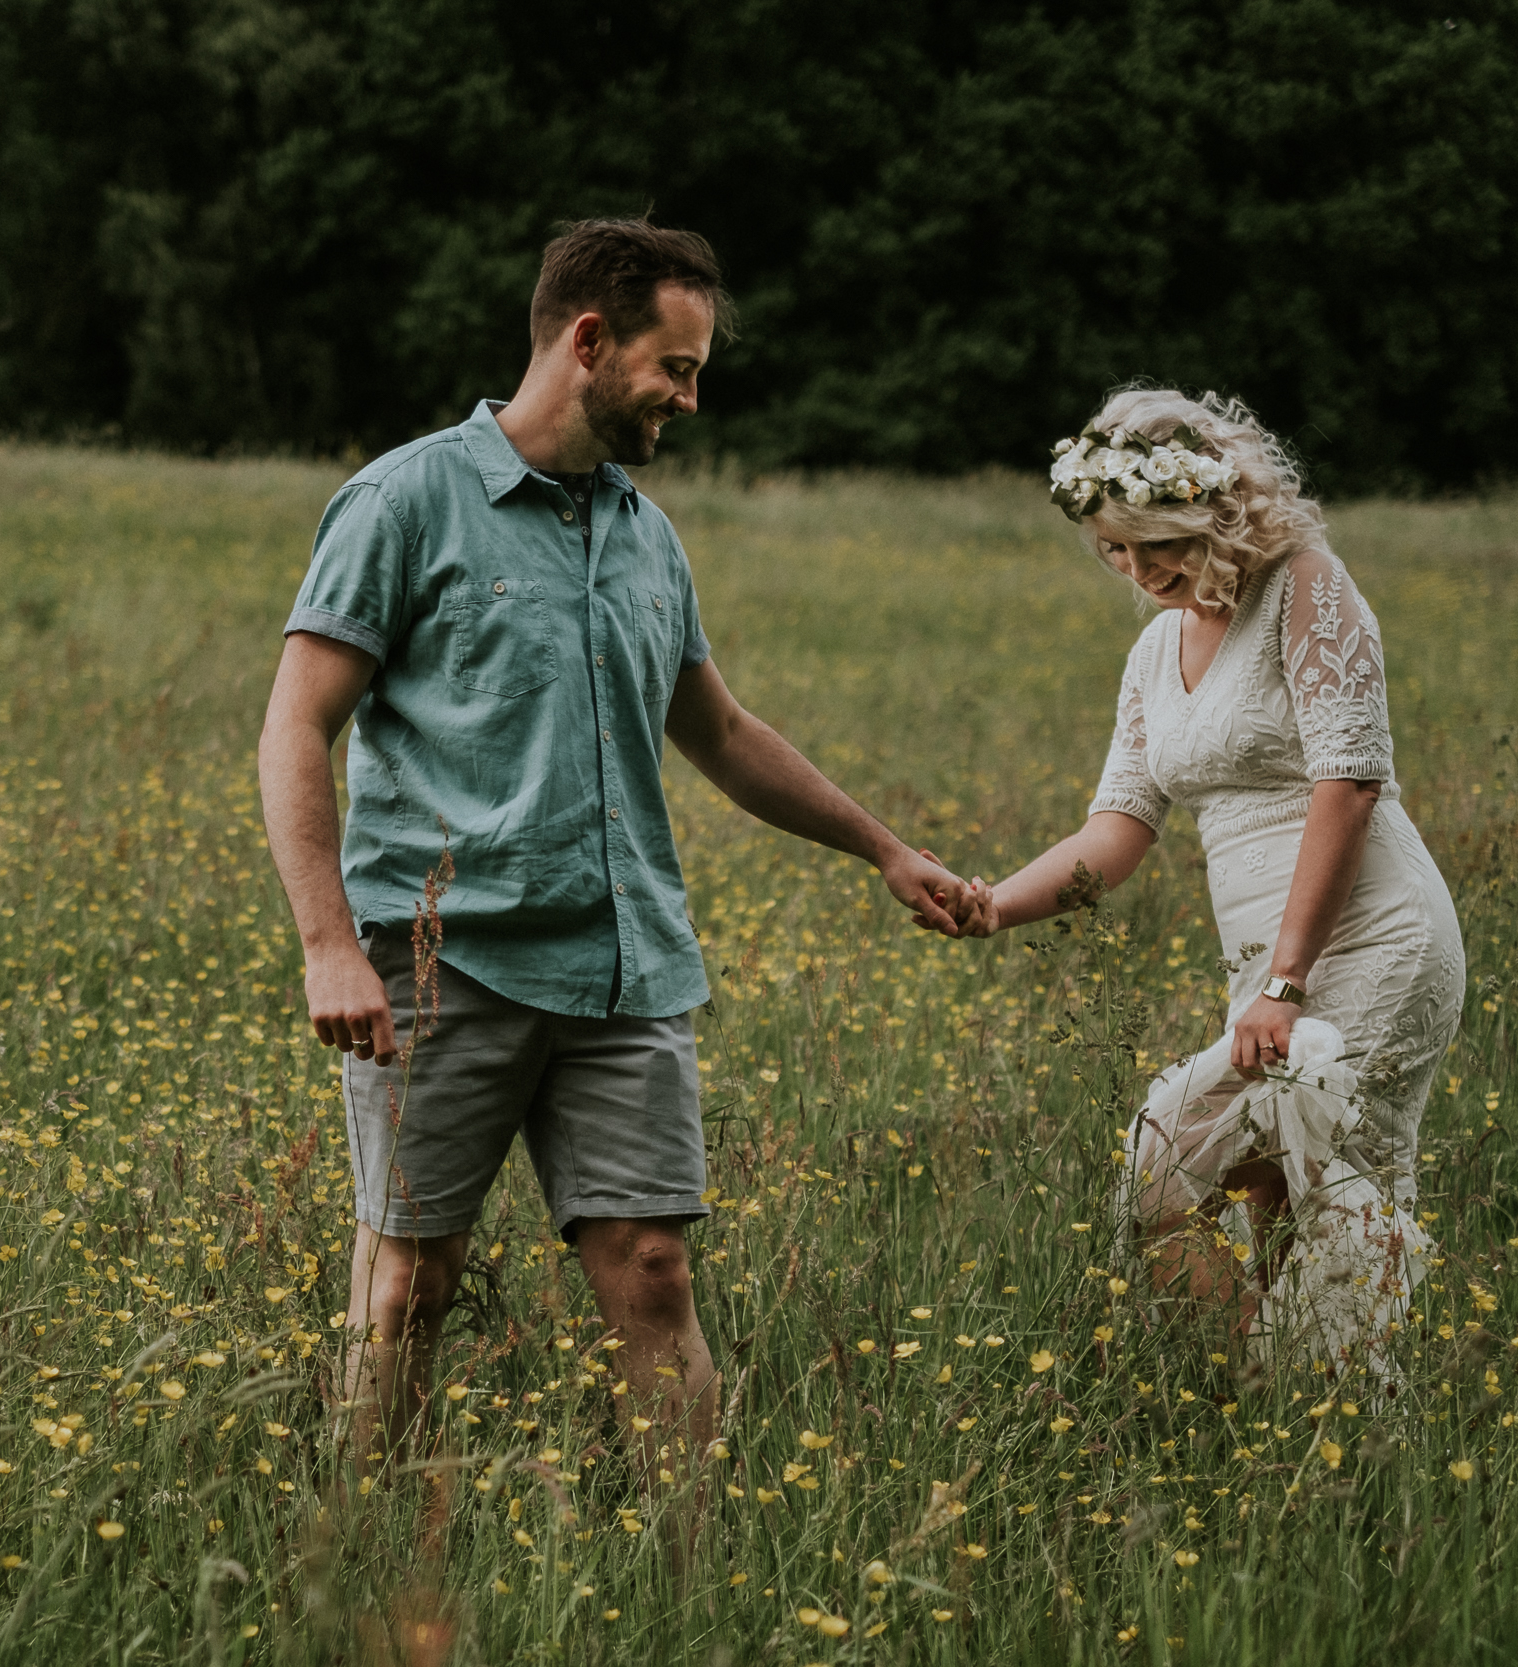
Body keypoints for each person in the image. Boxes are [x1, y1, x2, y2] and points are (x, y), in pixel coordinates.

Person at [256, 218, 977, 1475]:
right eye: (675, 367)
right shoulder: (404, 499)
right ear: (588, 340)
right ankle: (371, 1547)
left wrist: (884, 848)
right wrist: (328, 944)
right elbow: (294, 726)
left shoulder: (643, 531)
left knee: (652, 1272)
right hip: (441, 962)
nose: (691, 399)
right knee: (410, 1288)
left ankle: (686, 1577)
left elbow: (723, 728)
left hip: (624, 963)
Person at [949, 388, 1463, 1377]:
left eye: (1157, 547)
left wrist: (1286, 978)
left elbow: (1348, 783)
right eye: (1115, 552)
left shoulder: (1304, 586)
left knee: (1323, 1191)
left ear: (1217, 512)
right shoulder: (1153, 650)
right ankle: (1275, 1403)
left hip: (1367, 942)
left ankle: (1344, 1424)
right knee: (1213, 1194)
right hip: (1264, 968)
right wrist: (994, 903)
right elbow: (1120, 826)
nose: (1139, 575)